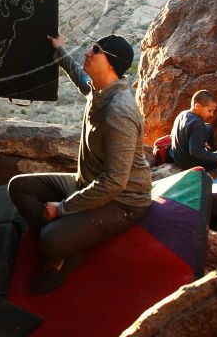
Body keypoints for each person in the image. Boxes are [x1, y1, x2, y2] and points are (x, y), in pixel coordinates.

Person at [8, 34, 152, 293]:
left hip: (123, 200)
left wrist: (61, 209)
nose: (88, 52)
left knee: (49, 242)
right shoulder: (98, 89)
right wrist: (58, 49)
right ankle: (71, 237)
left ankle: (66, 249)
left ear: (110, 64)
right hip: (86, 183)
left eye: (95, 50)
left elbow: (114, 183)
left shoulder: (119, 112)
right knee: (18, 187)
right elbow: (78, 76)